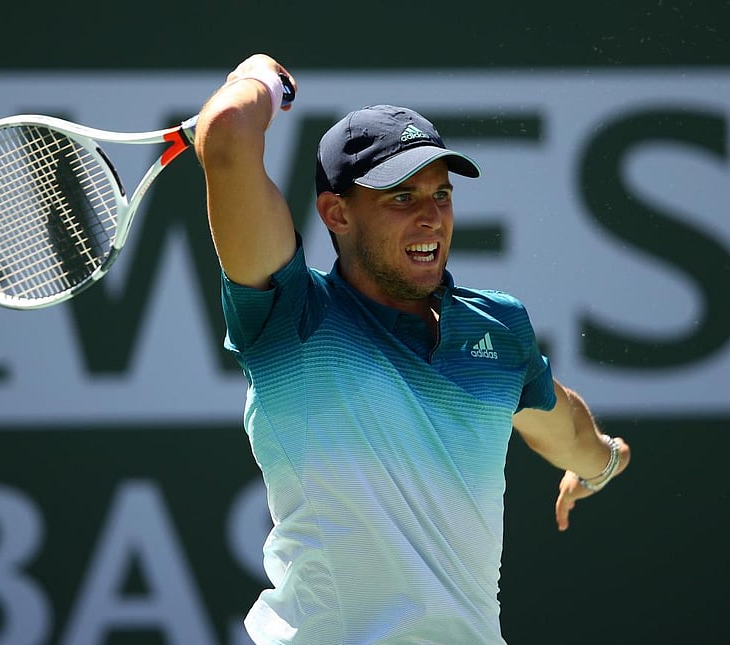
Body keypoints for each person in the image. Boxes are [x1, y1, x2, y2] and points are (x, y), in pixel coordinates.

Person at [193, 54, 631, 645]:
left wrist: (603, 463)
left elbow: (563, 427)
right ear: (336, 213)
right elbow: (226, 137)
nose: (431, 218)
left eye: (441, 194)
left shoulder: (499, 327)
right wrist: (260, 79)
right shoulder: (292, 314)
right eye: (401, 197)